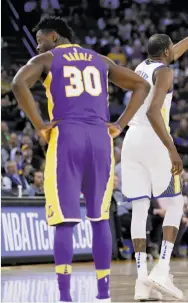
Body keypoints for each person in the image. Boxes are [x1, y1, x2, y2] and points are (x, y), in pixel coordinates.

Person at [11, 16, 150, 303]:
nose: (37, 47)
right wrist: (120, 124)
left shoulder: (49, 58)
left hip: (67, 135)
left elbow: (17, 83)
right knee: (100, 218)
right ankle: (103, 294)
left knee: (64, 221)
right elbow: (141, 86)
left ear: (53, 36)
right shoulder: (100, 59)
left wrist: (39, 124)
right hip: (101, 138)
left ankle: (64, 296)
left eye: (39, 41)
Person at [120, 6, 188, 301]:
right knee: (176, 204)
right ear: (165, 53)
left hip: (131, 141)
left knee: (140, 209)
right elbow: (155, 112)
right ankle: (162, 269)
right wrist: (172, 149)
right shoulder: (164, 71)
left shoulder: (144, 66)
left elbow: (173, 49)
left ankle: (142, 281)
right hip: (153, 139)